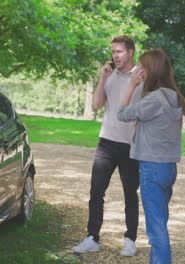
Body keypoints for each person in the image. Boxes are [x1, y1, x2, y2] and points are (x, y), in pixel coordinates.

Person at [117, 48, 185, 264]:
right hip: (168, 168)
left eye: (141, 67)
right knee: (160, 223)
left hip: (152, 168)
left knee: (156, 230)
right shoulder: (173, 96)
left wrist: (131, 86)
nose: (137, 71)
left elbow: (122, 114)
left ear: (151, 70)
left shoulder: (155, 99)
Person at [72, 35, 142, 256]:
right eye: (113, 51)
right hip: (106, 142)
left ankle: (130, 239)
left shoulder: (142, 75)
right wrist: (102, 78)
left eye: (119, 51)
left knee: (130, 193)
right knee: (96, 190)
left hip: (131, 145)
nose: (115, 55)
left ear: (130, 52)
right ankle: (92, 237)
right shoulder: (109, 75)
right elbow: (95, 105)